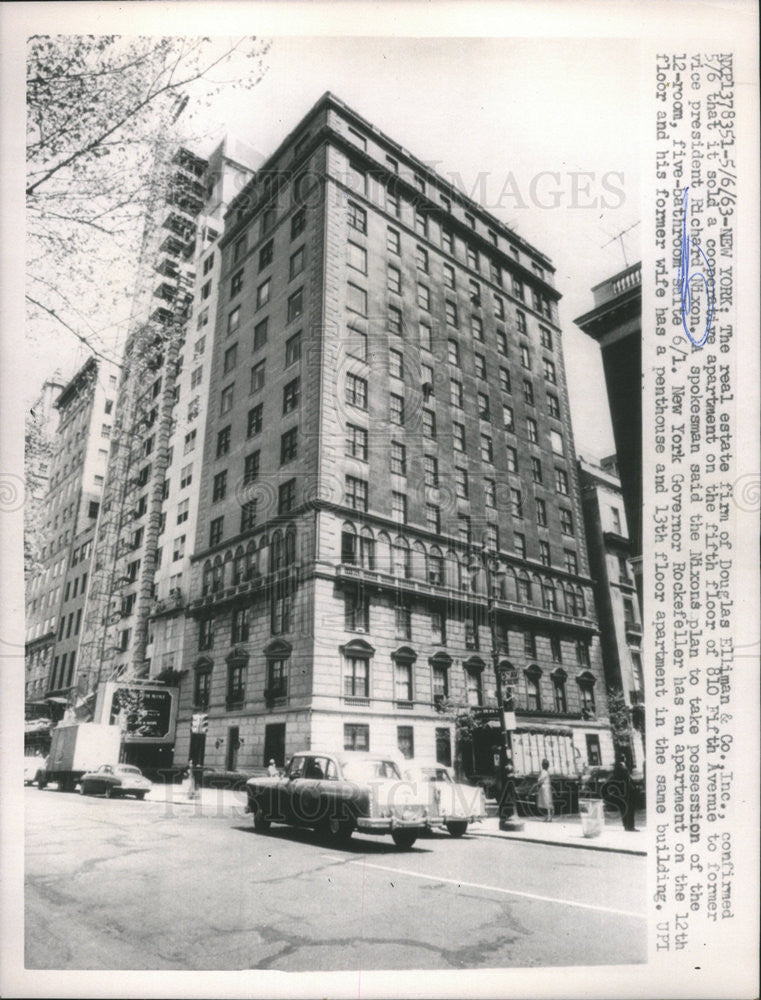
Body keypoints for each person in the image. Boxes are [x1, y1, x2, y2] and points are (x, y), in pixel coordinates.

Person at [613, 754, 637, 830]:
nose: (625, 758)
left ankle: (628, 826)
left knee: (626, 809)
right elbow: (624, 779)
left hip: (626, 791)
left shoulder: (621, 765)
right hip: (625, 791)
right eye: (623, 757)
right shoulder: (619, 766)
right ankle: (630, 826)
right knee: (628, 809)